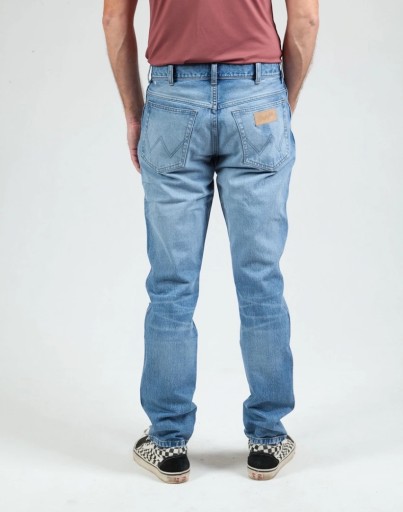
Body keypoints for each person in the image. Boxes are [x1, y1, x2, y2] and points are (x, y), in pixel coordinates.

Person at [102, 0, 319, 484]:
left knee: (171, 287)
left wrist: (135, 114)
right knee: (261, 281)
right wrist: (276, 102)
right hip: (257, 96)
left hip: (173, 100)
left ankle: (167, 442)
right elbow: (305, 18)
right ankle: (267, 437)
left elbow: (115, 18)